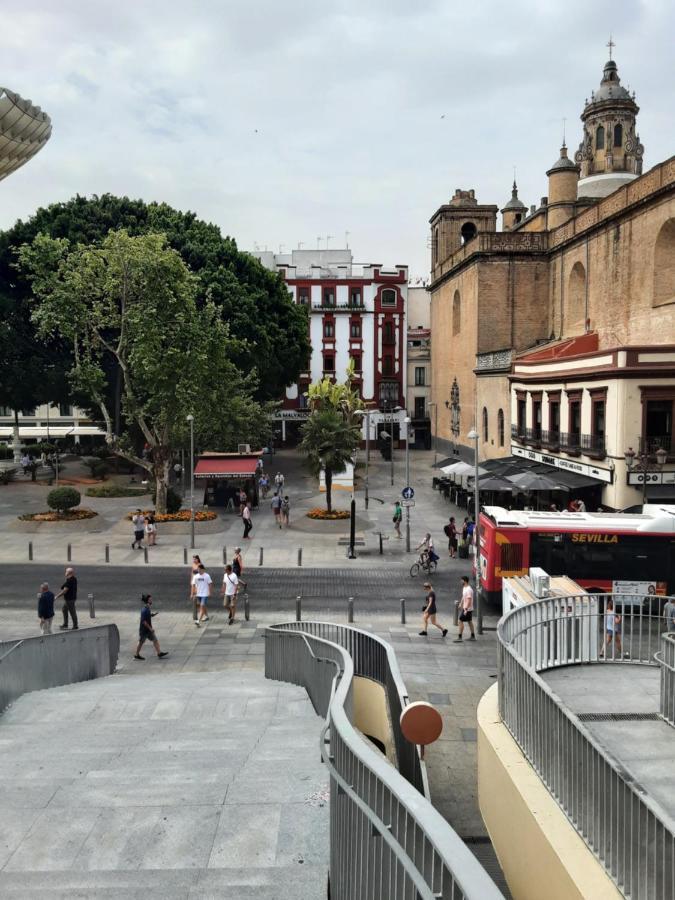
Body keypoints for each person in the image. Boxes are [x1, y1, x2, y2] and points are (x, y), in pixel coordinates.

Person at [134, 594, 169, 660]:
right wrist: (151, 629)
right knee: (141, 642)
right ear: (147, 601)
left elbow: (147, 616)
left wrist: (152, 615)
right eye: (150, 599)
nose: (151, 600)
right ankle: (136, 655)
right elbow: (144, 621)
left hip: (148, 630)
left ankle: (159, 653)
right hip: (144, 630)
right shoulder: (144, 610)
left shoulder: (147, 608)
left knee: (155, 640)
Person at [454, 576, 476, 642]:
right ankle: (473, 636)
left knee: (460, 621)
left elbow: (469, 599)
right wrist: (461, 603)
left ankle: (460, 637)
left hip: (467, 609)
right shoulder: (464, 588)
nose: (461, 581)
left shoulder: (469, 589)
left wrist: (466, 609)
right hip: (467, 608)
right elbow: (464, 597)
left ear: (465, 581)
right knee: (469, 621)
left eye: (462, 580)